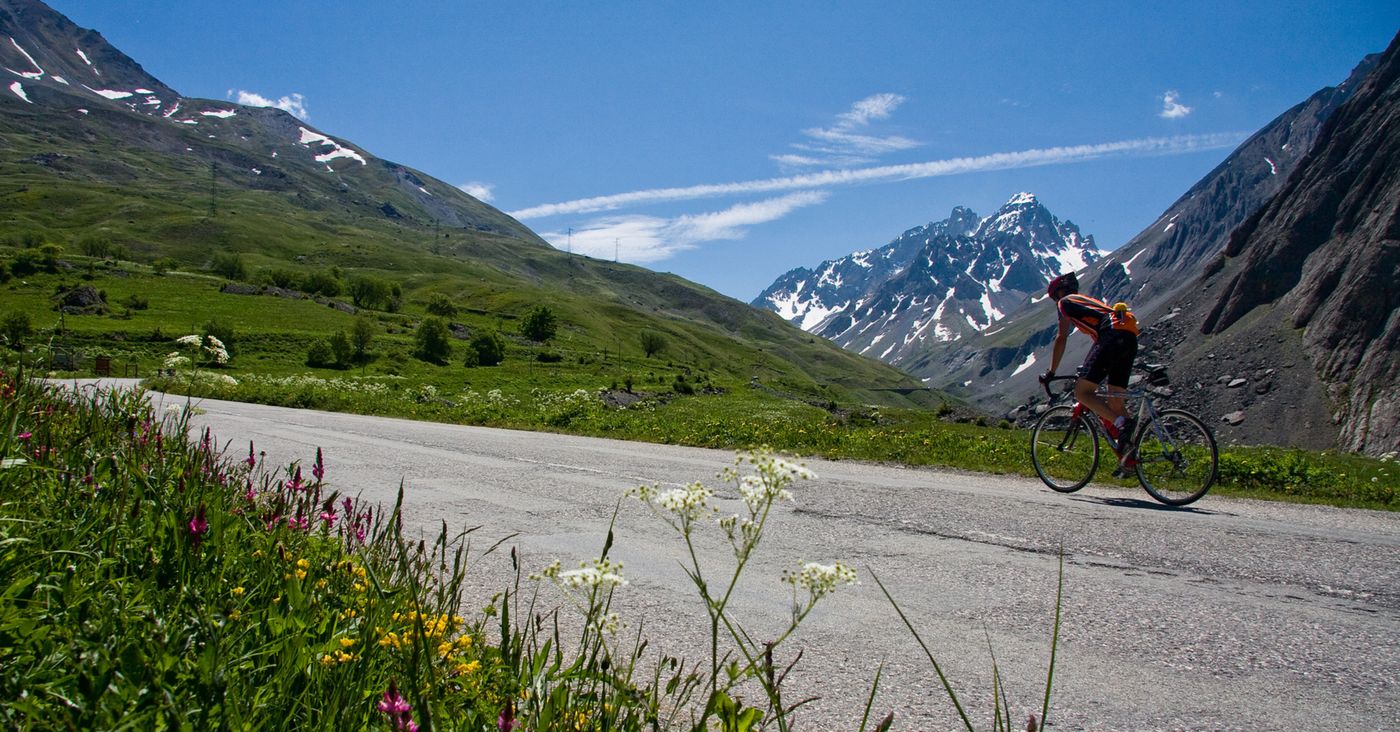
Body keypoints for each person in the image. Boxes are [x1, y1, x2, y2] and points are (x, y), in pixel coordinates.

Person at [1038, 272, 1140, 452]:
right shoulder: (1087, 301)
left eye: (1054, 298)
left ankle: (1121, 423)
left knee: (1082, 392)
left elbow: (1061, 337)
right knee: (1116, 401)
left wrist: (1051, 372)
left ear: (1060, 292)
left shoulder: (1066, 302)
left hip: (1111, 335)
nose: (1056, 302)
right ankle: (1131, 458)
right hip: (1129, 335)